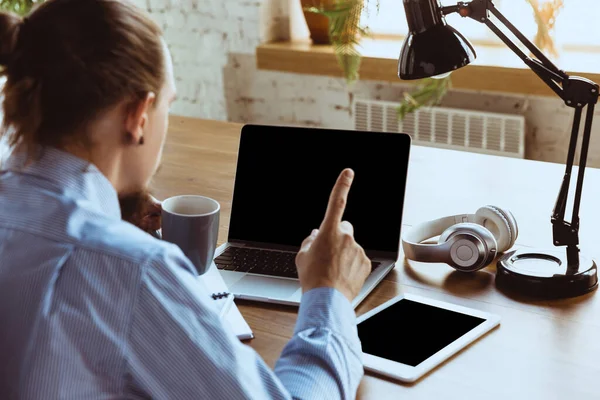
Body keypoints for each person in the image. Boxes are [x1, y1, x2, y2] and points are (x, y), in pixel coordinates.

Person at [0, 0, 373, 399]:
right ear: (139, 114)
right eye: (169, 105)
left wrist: (111, 218)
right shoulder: (133, 269)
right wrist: (327, 293)